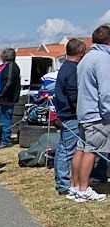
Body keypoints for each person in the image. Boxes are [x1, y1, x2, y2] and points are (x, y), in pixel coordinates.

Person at [70, 24, 110, 203]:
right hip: (97, 114)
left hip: (84, 112)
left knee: (81, 149)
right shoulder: (103, 59)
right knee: (91, 152)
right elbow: (106, 91)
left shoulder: (86, 58)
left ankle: (75, 186)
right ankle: (84, 189)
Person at [53, 38, 88, 196]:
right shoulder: (73, 69)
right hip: (71, 114)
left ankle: (65, 181)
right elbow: (73, 94)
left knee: (65, 149)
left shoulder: (64, 67)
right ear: (81, 52)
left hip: (66, 113)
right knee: (67, 150)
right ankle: (64, 183)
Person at [0, 47, 21, 149]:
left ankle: (6, 140)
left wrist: (0, 96)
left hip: (5, 99)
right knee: (1, 120)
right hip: (3, 98)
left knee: (4, 120)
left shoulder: (11, 67)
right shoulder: (8, 66)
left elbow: (8, 83)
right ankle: (1, 139)